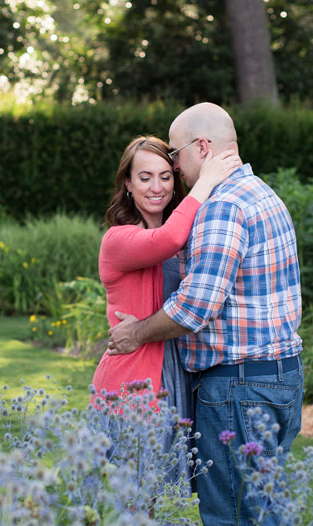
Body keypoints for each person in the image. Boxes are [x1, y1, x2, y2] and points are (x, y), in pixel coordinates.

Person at [106, 103, 304, 526]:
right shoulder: (262, 194)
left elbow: (195, 308)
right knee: (263, 519)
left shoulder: (224, 207)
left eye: (174, 155)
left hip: (237, 388)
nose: (172, 167)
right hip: (279, 378)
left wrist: (136, 332)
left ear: (202, 148)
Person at [91, 135, 241, 426]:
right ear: (128, 184)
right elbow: (167, 239)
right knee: (137, 470)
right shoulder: (118, 239)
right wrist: (205, 181)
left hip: (177, 372)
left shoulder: (186, 233)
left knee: (175, 470)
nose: (157, 187)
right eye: (145, 178)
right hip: (132, 376)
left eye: (165, 177)